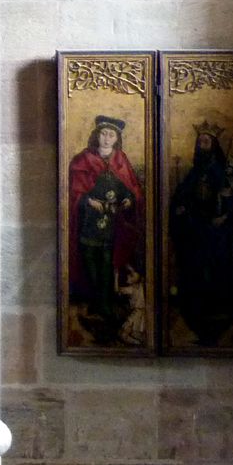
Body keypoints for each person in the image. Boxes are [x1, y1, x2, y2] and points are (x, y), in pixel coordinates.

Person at [67, 115, 144, 345]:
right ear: (96, 135)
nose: (107, 138)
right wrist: (89, 202)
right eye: (104, 133)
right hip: (89, 223)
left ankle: (106, 304)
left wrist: (129, 200)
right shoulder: (82, 160)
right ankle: (93, 303)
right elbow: (74, 193)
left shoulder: (121, 160)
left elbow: (132, 189)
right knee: (90, 263)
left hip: (113, 225)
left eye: (112, 134)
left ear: (117, 138)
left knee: (108, 265)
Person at [167, 123, 233, 346]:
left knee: (216, 270)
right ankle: (196, 313)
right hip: (195, 230)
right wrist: (180, 208)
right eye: (200, 141)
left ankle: (216, 313)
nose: (202, 145)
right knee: (194, 272)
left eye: (207, 141)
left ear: (214, 145)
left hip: (216, 232)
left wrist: (226, 208)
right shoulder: (194, 172)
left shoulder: (222, 170)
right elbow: (182, 197)